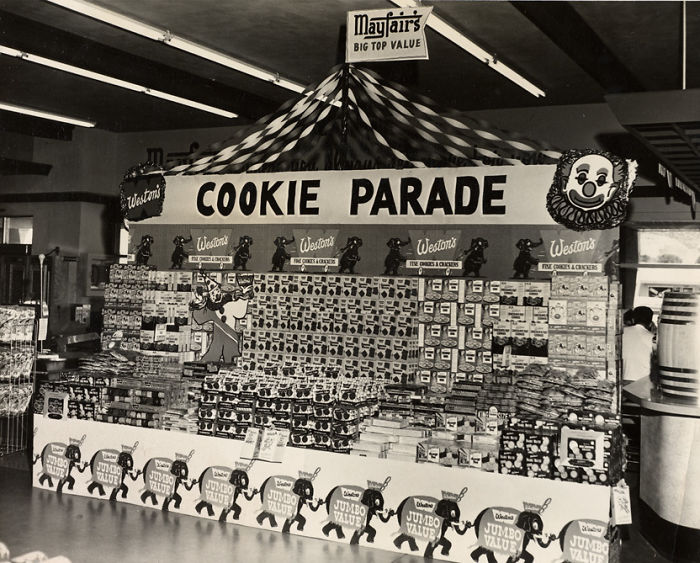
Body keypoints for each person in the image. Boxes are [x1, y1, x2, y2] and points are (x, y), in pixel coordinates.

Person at [622, 306, 656, 383]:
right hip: (643, 382)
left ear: (633, 319)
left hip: (622, 380)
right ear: (650, 323)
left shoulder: (621, 334)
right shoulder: (653, 338)